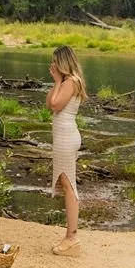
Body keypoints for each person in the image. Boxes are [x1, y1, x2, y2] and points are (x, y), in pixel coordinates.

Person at [46, 44, 85, 255]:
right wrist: (56, 83)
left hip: (67, 138)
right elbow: (48, 103)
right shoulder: (65, 82)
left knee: (68, 185)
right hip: (62, 137)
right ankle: (71, 236)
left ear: (63, 62)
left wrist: (57, 81)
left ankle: (72, 237)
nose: (52, 65)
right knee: (66, 183)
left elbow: (56, 105)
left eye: (55, 61)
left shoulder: (71, 82)